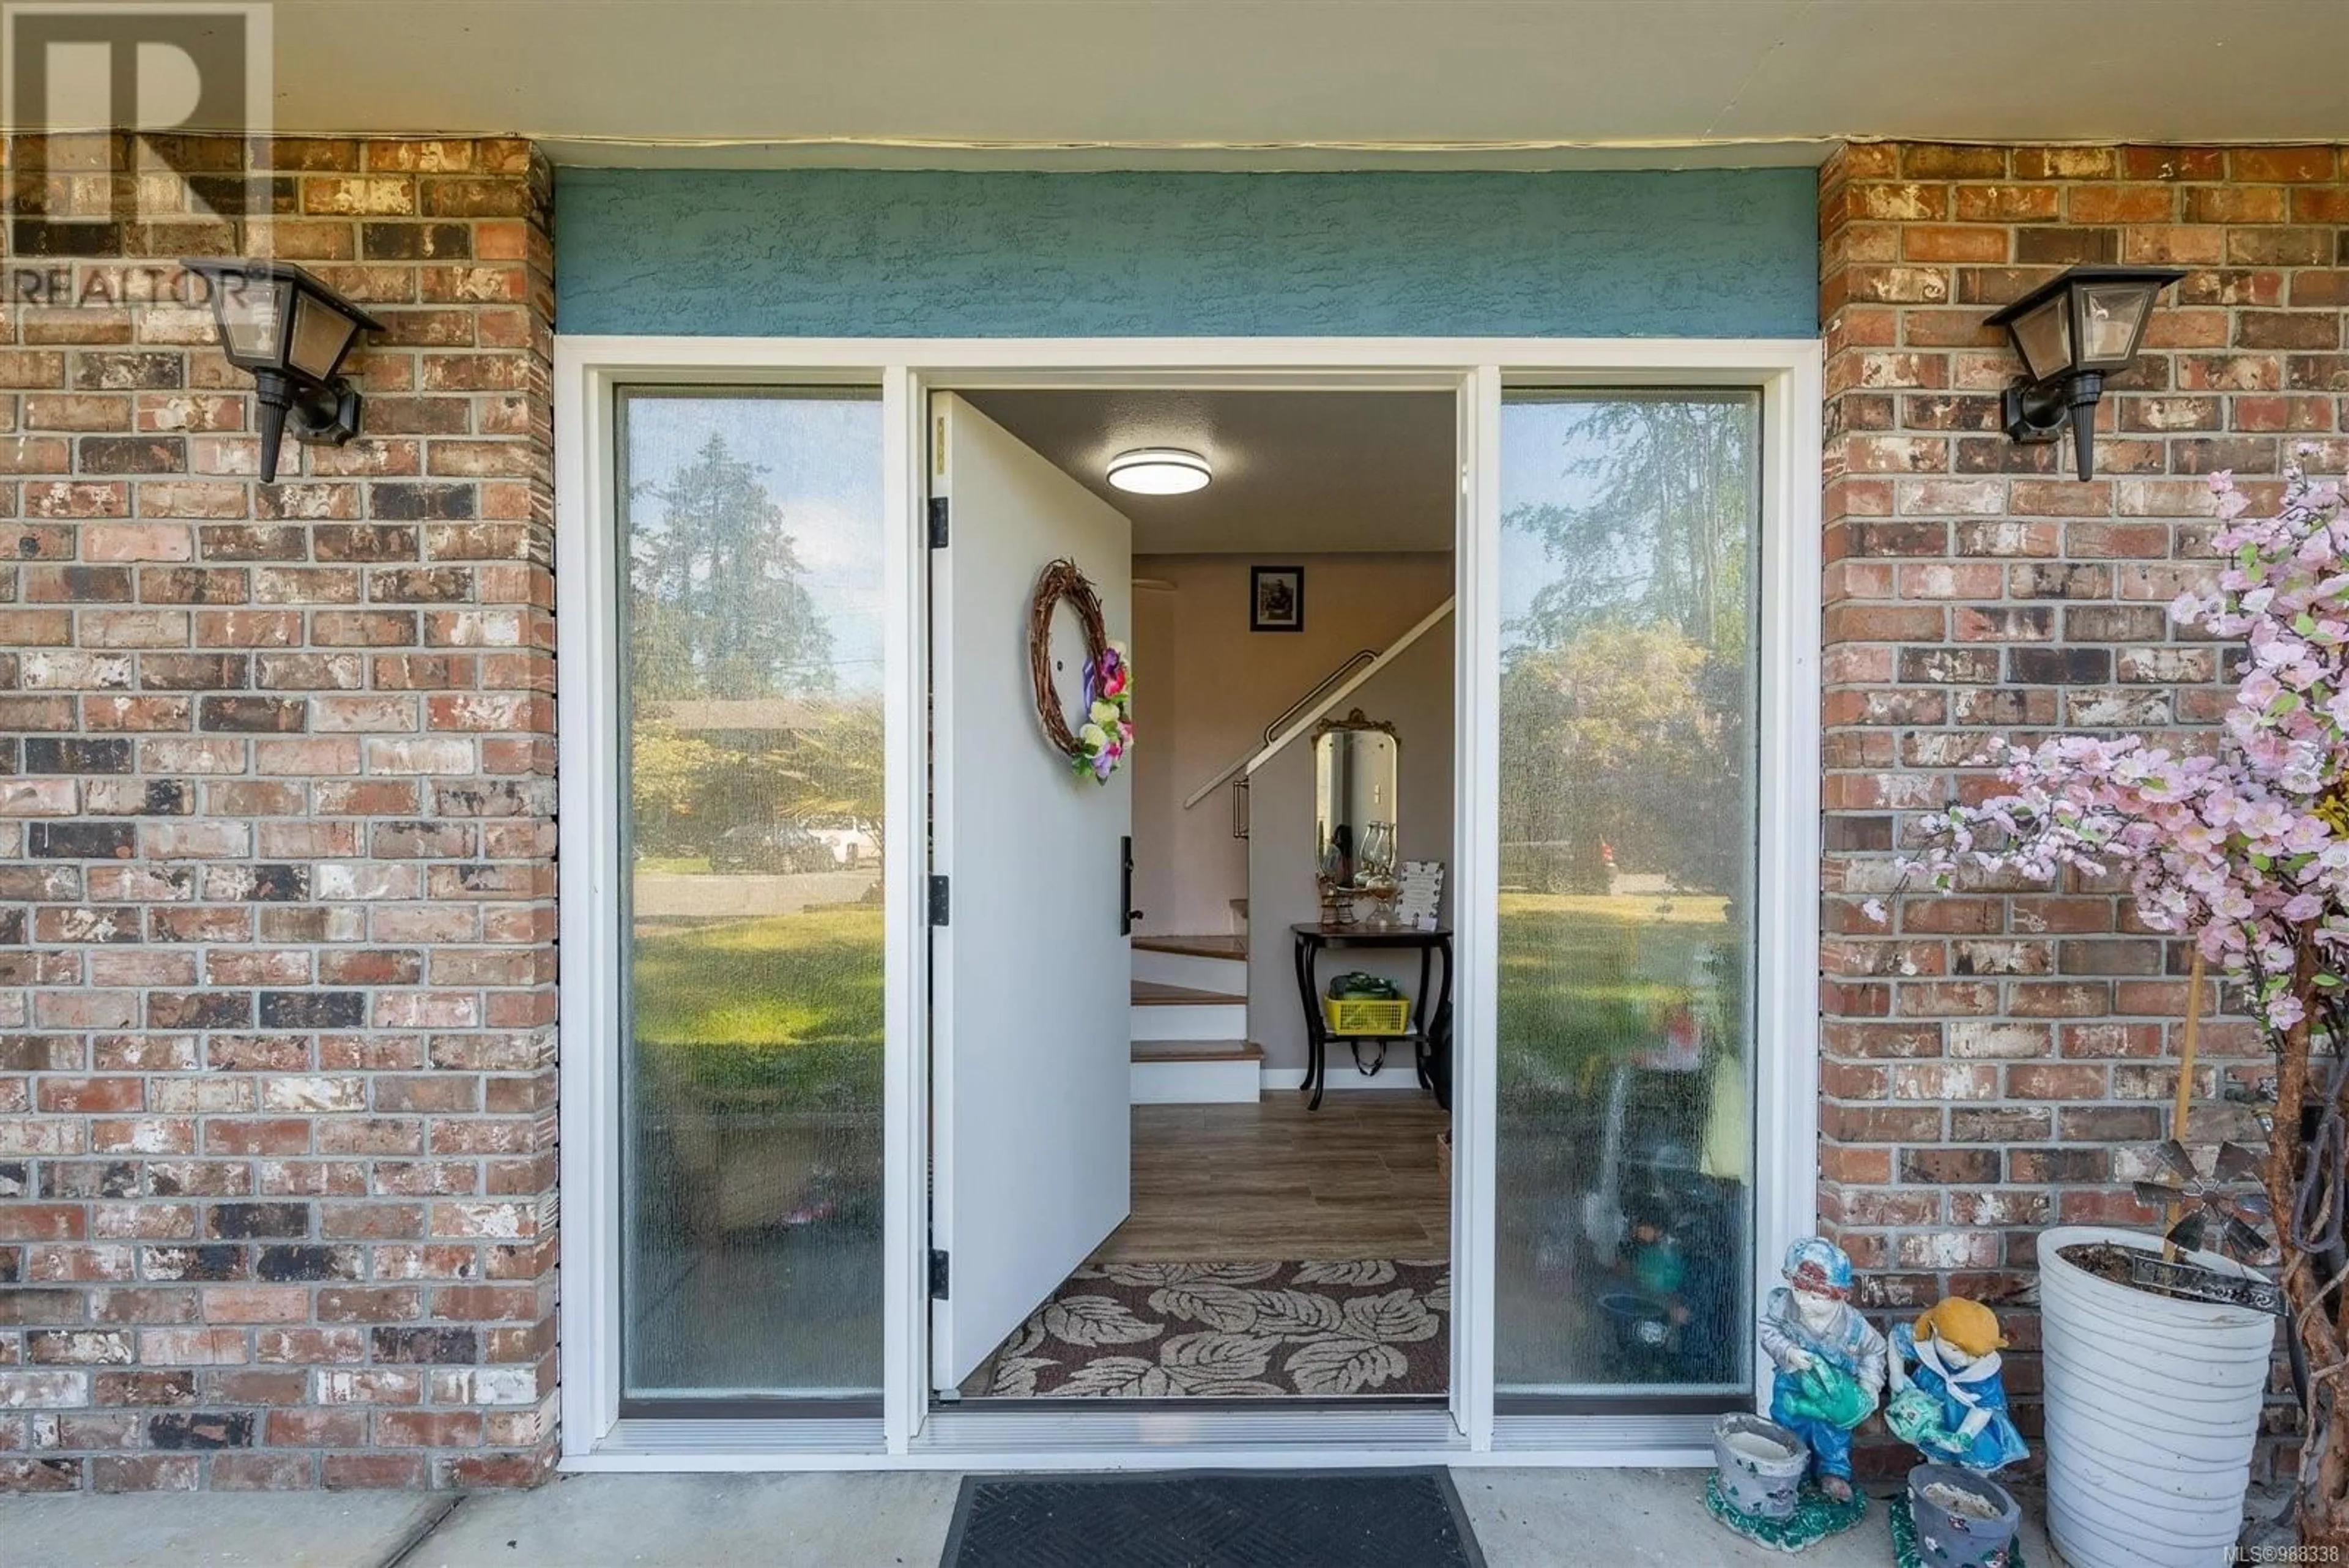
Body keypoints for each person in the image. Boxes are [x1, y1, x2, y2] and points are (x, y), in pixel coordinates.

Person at [1758, 1237, 1887, 1503]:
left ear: (1839, 1295)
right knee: (1788, 1426)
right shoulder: (1786, 1307)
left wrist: (1869, 1385)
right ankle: (1791, 1470)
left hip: (1835, 1395)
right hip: (1793, 1382)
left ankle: (1833, 1473)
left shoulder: (1854, 1326)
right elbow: (1768, 1329)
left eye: (1815, 1297)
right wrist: (1789, 1351)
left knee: (1833, 1434)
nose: (1804, 1303)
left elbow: (1875, 1351)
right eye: (1798, 1291)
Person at [1886, 1296, 2028, 1474]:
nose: (1964, 1360)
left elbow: (1985, 1408)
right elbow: (1896, 1337)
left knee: (1974, 1465)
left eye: (1975, 1355)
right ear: (1936, 1330)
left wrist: (1964, 1436)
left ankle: (1975, 1491)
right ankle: (1936, 1488)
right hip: (1934, 1411)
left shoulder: (1984, 1374)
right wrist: (1897, 1375)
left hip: (1967, 1420)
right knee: (1937, 1461)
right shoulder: (1925, 1344)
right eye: (1954, 1350)